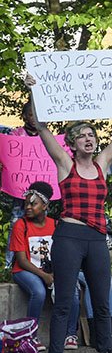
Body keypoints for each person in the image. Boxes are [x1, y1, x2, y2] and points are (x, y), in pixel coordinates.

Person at [31, 83, 112, 353]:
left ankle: (106, 352)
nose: (88, 139)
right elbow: (41, 127)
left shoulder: (102, 163)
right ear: (73, 144)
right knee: (64, 301)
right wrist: (34, 91)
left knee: (102, 300)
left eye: (92, 135)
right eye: (82, 137)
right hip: (69, 237)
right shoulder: (66, 165)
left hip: (96, 238)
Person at [10, 181, 80, 353]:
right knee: (39, 292)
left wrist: (56, 273)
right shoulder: (21, 225)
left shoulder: (55, 225)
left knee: (71, 292)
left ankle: (70, 335)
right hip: (25, 270)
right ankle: (30, 335)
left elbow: (63, 253)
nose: (28, 207)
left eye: (33, 204)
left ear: (45, 205)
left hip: (51, 270)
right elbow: (22, 260)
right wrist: (45, 276)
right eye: (26, 203)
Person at [4, 100, 43, 267]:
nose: (33, 118)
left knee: (39, 227)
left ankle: (38, 262)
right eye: (30, 115)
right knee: (16, 224)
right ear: (24, 116)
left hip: (41, 191)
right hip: (20, 191)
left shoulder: (45, 136)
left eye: (36, 115)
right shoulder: (16, 135)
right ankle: (9, 263)